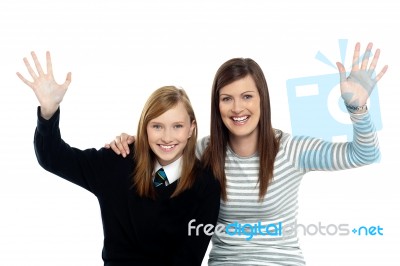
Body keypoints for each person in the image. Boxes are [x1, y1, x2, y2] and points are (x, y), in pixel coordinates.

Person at [106, 42, 387, 265]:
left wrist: (357, 109)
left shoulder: (292, 150)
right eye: (227, 98)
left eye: (247, 96)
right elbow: (161, 156)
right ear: (217, 105)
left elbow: (365, 154)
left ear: (262, 99)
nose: (237, 108)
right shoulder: (203, 151)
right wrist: (130, 143)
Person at [17, 51, 220, 266]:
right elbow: (53, 157)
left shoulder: (205, 186)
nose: (167, 137)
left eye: (177, 126)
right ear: (145, 128)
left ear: (191, 129)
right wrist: (49, 112)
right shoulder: (118, 162)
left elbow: (189, 259)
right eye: (157, 126)